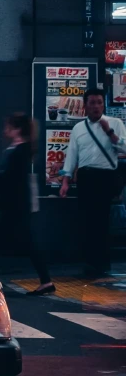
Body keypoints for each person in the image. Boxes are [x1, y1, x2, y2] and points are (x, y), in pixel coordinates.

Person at [60, 86, 126, 280]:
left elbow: (124, 147)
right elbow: (71, 156)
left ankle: (103, 264)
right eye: (92, 103)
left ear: (103, 104)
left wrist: (110, 133)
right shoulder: (78, 128)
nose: (96, 106)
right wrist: (65, 181)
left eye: (99, 102)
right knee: (87, 221)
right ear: (85, 106)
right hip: (86, 178)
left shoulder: (115, 122)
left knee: (102, 222)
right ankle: (89, 263)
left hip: (106, 177)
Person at [0, 112, 52, 294]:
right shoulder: (21, 149)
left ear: (17, 129)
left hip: (12, 207)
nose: (5, 130)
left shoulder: (19, 151)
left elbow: (12, 180)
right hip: (16, 207)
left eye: (9, 127)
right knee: (27, 244)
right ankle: (46, 281)